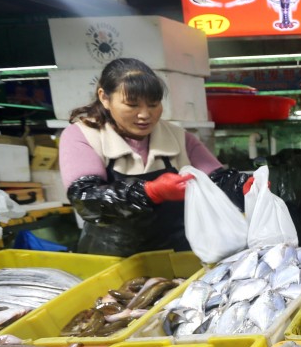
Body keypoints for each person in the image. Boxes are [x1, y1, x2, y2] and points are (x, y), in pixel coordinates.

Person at [59, 57, 253, 256]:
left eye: (153, 105)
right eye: (132, 105)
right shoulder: (84, 136)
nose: (145, 115)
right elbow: (85, 198)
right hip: (112, 261)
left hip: (177, 256)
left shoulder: (177, 137)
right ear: (104, 98)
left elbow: (217, 181)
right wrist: (150, 192)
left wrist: (243, 186)